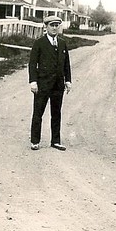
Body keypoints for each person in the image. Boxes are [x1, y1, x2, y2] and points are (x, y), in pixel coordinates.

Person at [28, 15, 72, 151]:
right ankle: (35, 141)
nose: (54, 28)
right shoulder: (39, 43)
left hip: (58, 85)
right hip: (43, 84)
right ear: (46, 27)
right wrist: (33, 81)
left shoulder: (62, 43)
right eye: (51, 25)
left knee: (56, 113)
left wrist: (68, 80)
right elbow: (32, 64)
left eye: (57, 25)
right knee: (38, 113)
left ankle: (56, 141)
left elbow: (66, 64)